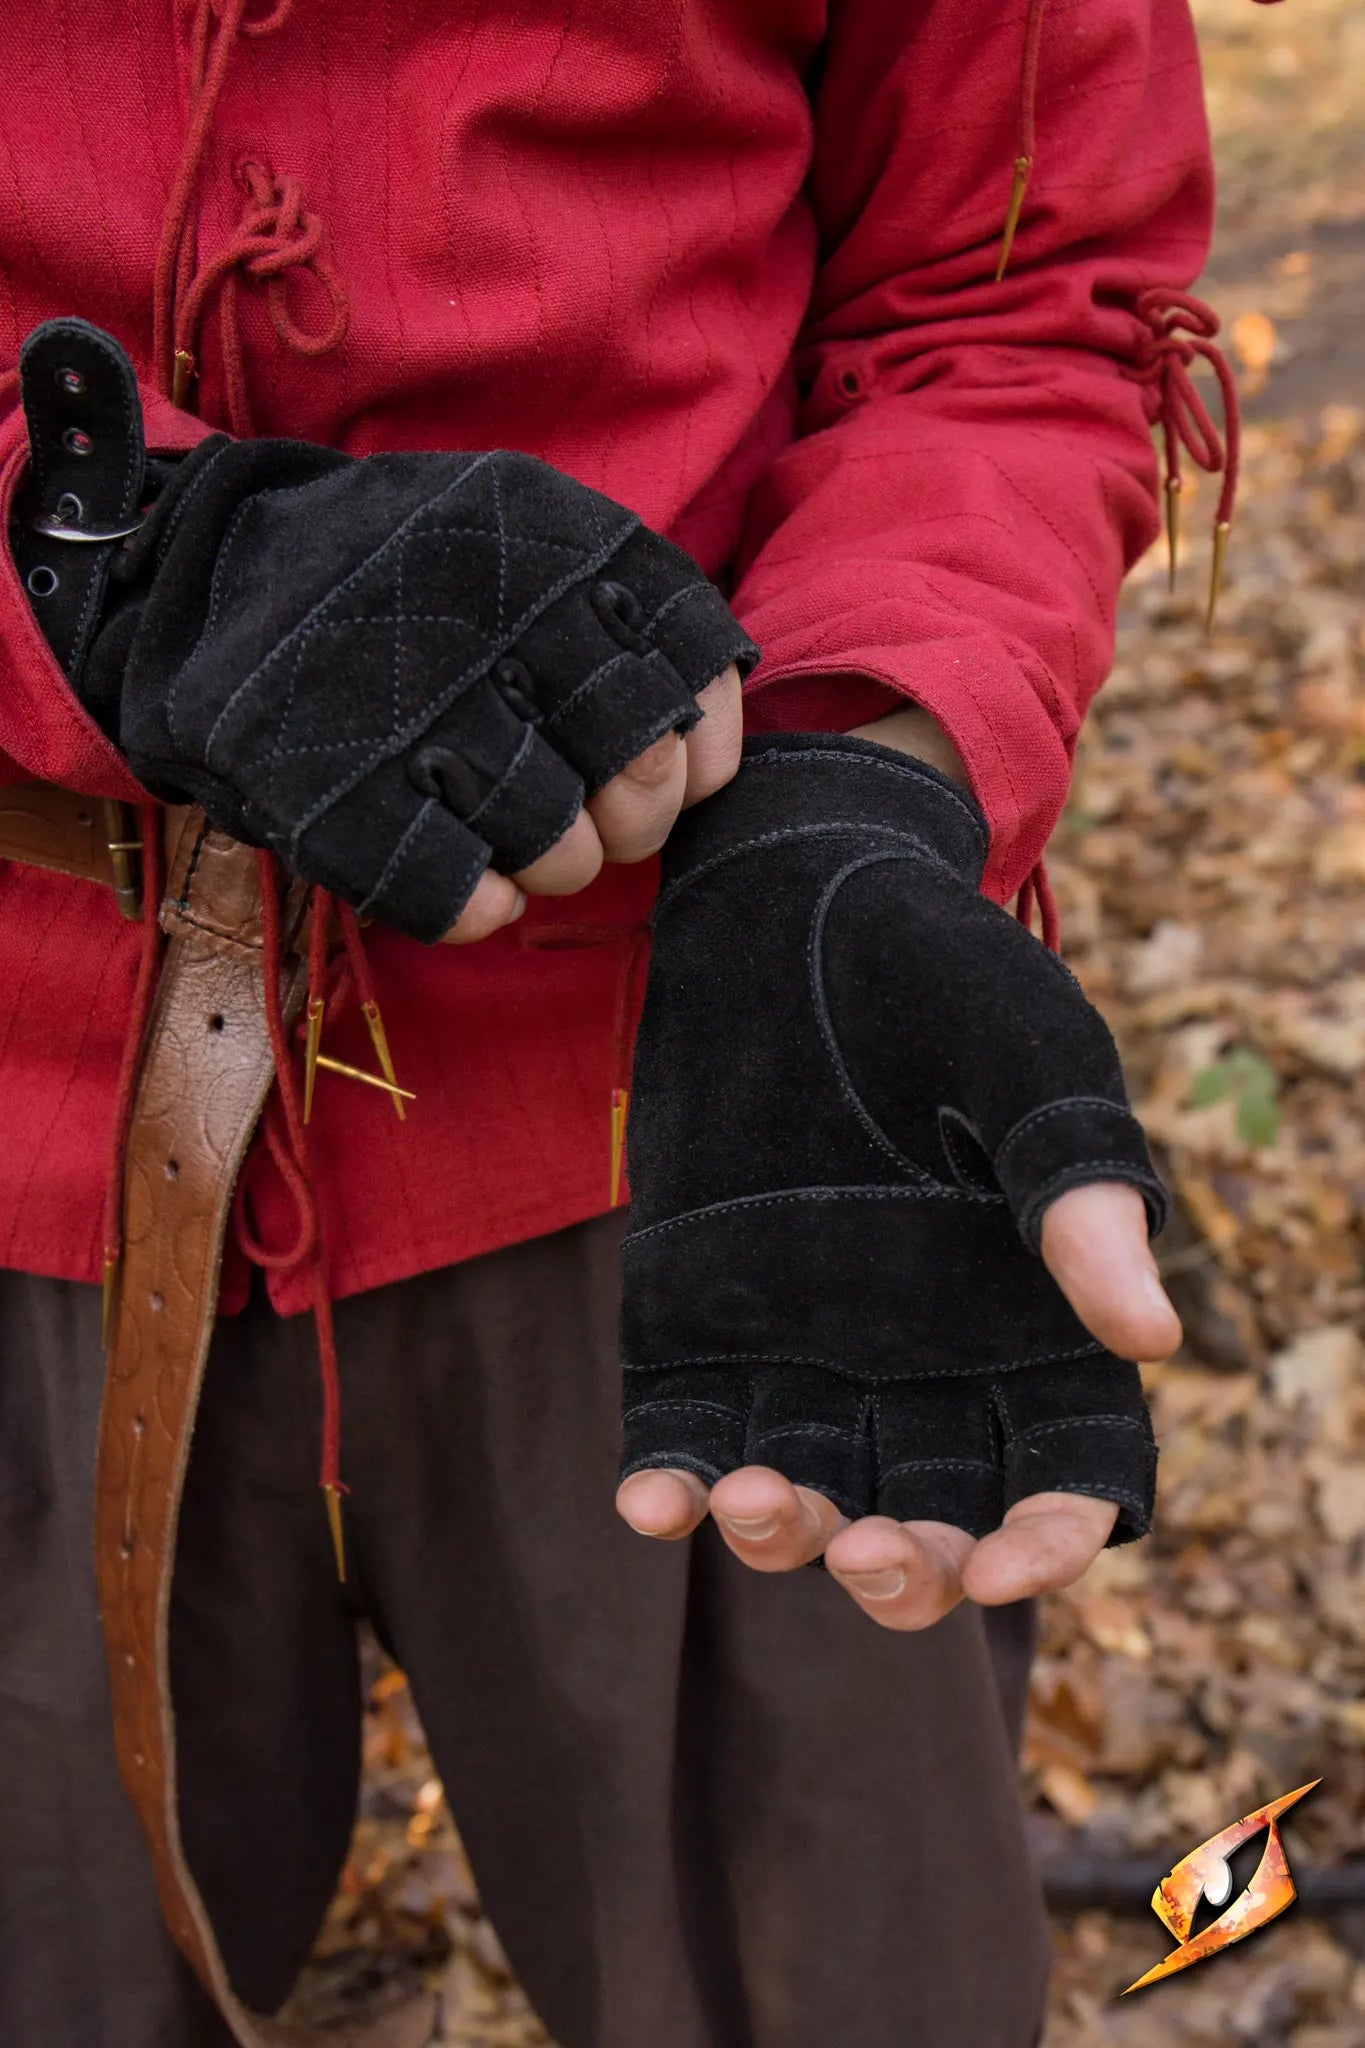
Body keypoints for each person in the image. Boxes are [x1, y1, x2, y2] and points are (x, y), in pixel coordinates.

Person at [0, 2, 1233, 2044]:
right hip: (21, 1094)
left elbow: (1015, 286)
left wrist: (846, 802)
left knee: (847, 1987)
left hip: (691, 1108)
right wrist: (120, 563)